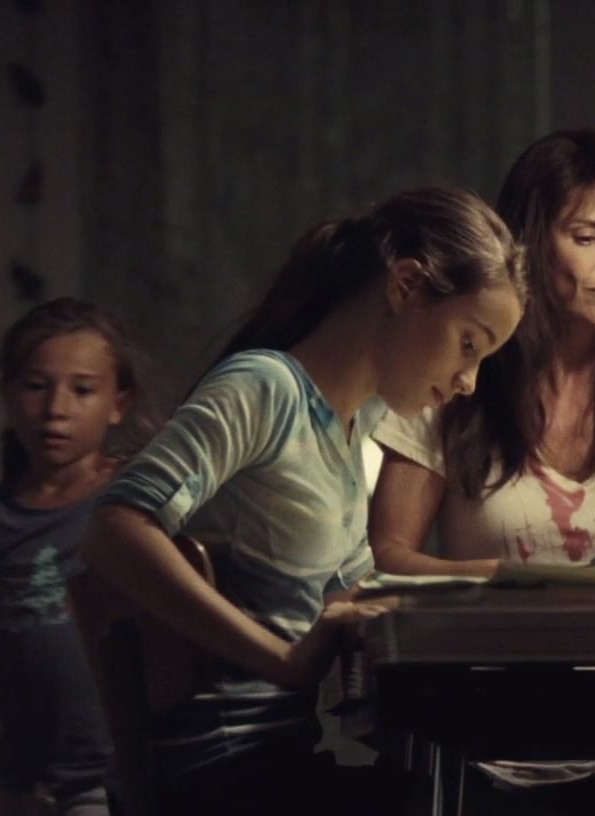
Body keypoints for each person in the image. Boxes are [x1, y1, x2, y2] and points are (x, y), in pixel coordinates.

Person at [79, 187, 528, 815]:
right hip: (221, 772)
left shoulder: (350, 427)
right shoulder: (265, 390)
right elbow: (113, 530)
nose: (468, 381)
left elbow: (350, 594)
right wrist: (285, 660)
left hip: (282, 759)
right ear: (405, 285)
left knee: (476, 795)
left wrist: (492, 585)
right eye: (469, 344)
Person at [368, 129, 595, 814]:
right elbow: (389, 554)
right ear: (528, 243)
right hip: (481, 743)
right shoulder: (461, 360)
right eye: (586, 237)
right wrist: (507, 582)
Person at [0, 297, 159, 816]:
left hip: (120, 785)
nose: (55, 409)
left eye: (82, 390)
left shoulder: (141, 499)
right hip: (23, 791)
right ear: (7, 392)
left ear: (119, 402)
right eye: (35, 386)